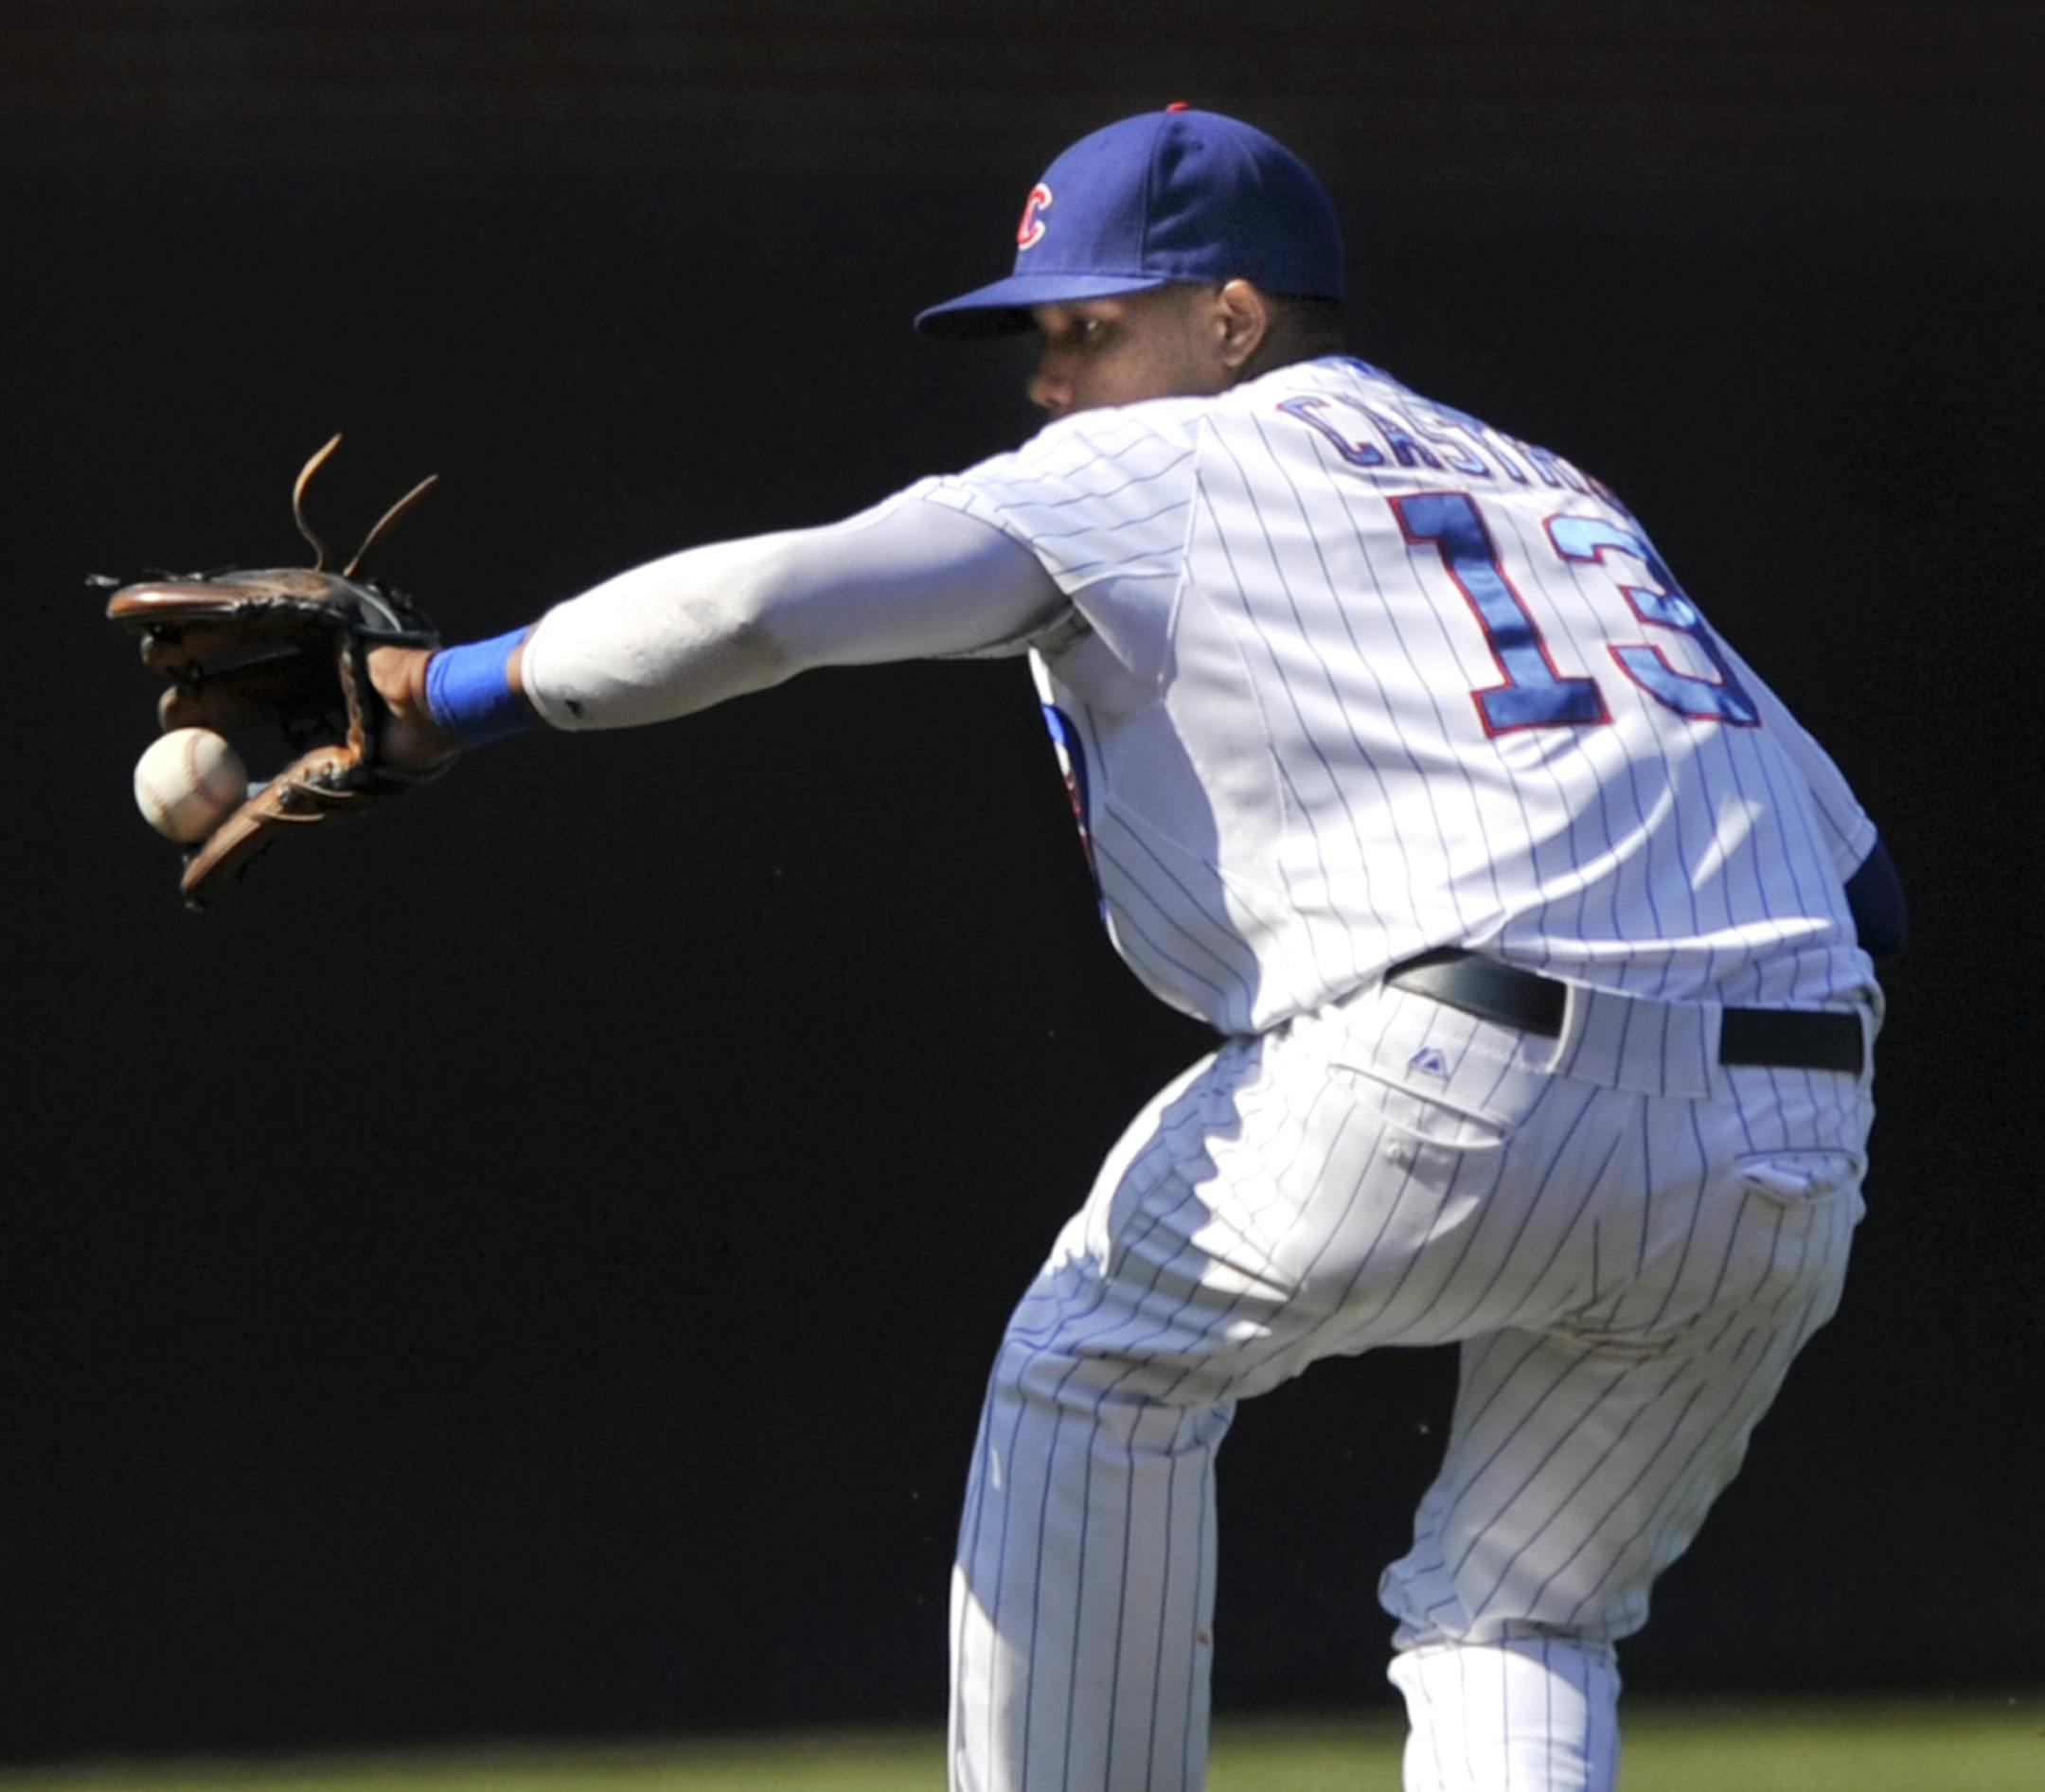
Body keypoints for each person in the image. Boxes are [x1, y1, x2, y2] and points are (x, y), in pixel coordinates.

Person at [370, 107, 1901, 1792]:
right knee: (1518, 1617)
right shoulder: (1551, 490)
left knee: (1096, 1368)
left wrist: (448, 694)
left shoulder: (1168, 458)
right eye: (1041, 336)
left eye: (1091, 327)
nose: (1051, 377)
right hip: (1790, 1119)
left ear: (1232, 321)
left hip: (1447, 1062)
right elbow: (1862, 876)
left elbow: (761, 606)